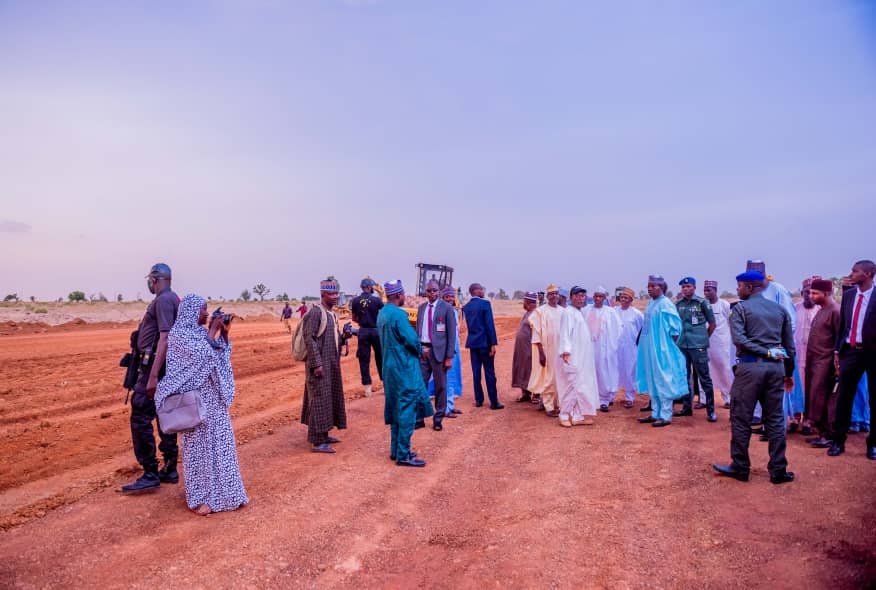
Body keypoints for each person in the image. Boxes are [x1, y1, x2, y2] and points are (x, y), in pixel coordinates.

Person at [155, 294, 248, 515]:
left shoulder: (198, 333)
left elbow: (220, 354)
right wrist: (213, 331)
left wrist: (223, 334)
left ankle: (229, 494)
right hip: (195, 404)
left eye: (207, 310)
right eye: (202, 310)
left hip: (214, 402)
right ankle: (201, 498)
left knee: (221, 446)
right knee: (199, 450)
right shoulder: (179, 335)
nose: (206, 314)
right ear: (190, 311)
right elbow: (202, 356)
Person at [712, 270, 796, 485]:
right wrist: (788, 372)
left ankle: (740, 467)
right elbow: (789, 347)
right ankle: (778, 470)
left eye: (739, 286)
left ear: (750, 287)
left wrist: (764, 351)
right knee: (775, 420)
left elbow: (739, 340)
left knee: (741, 418)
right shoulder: (780, 310)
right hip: (776, 370)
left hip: (749, 370)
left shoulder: (740, 309)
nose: (737, 290)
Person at [121, 263, 180, 494]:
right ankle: (169, 468)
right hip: (157, 367)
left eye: (150, 279)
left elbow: (165, 338)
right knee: (163, 415)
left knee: (140, 416)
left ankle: (150, 472)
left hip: (154, 368)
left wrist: (153, 376)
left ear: (155, 279)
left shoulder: (164, 300)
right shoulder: (170, 298)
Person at [378, 280, 431, 467]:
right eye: (403, 294)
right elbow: (410, 339)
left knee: (395, 407)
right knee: (407, 408)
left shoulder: (382, 313)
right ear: (399, 294)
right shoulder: (399, 315)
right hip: (403, 367)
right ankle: (403, 454)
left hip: (389, 367)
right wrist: (421, 350)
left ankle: (395, 450)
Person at [830, 260, 876, 459]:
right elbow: (843, 327)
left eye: (855, 271)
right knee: (844, 397)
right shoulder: (848, 296)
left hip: (873, 354)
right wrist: (837, 351)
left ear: (868, 274)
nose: (851, 274)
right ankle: (838, 441)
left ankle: (872, 444)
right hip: (850, 351)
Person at [300, 279, 348, 454]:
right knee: (319, 400)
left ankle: (324, 434)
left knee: (328, 399)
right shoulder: (315, 313)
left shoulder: (332, 314)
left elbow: (333, 340)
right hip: (319, 366)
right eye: (331, 294)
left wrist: (345, 336)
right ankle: (317, 441)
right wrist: (316, 364)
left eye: (336, 293)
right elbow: (309, 338)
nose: (335, 297)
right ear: (322, 294)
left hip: (331, 364)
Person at [636, 275, 688, 428]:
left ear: (661, 287)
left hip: (662, 350)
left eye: (653, 286)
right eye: (648, 286)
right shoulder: (651, 304)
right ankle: (655, 413)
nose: (650, 289)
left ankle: (666, 415)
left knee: (663, 379)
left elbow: (675, 330)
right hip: (649, 349)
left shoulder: (666, 304)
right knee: (653, 379)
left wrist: (667, 347)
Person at [674, 277, 718, 422]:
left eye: (688, 286)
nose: (685, 289)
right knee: (685, 378)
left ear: (694, 287)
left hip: (698, 346)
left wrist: (703, 339)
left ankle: (711, 411)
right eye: (683, 287)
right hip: (683, 346)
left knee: (704, 378)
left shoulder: (702, 303)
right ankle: (687, 408)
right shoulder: (678, 304)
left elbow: (712, 324)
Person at [803, 279, 840, 448]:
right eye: (810, 292)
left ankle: (829, 434)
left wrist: (836, 365)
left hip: (826, 363)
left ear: (826, 293)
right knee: (815, 396)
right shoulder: (821, 310)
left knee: (824, 398)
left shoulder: (835, 311)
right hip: (815, 361)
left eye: (815, 293)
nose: (811, 296)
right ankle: (822, 432)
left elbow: (840, 341)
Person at [416, 280, 457, 430]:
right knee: (420, 386)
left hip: (439, 353)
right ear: (425, 292)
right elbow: (418, 331)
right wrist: (419, 348)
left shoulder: (446, 308)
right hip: (423, 352)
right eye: (429, 291)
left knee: (441, 387)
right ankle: (419, 419)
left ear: (438, 291)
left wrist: (449, 357)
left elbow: (451, 335)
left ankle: (438, 419)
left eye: (434, 290)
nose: (432, 293)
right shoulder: (421, 308)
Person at [556, 286, 599, 426]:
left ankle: (577, 416)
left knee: (580, 386)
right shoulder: (568, 313)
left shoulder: (578, 312)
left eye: (582, 296)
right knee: (572, 386)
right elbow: (565, 335)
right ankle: (564, 415)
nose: (580, 299)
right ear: (571, 297)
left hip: (582, 357)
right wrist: (566, 353)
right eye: (577, 296)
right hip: (573, 357)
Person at [462, 283, 503, 409]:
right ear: (476, 291)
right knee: (489, 372)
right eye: (481, 289)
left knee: (476, 372)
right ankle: (494, 402)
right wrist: (493, 344)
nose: (483, 291)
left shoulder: (466, 307)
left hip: (473, 343)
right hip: (485, 343)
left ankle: (479, 400)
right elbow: (489, 325)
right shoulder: (485, 304)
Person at [585, 286, 622, 412]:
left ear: (604, 298)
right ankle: (592, 399)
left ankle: (604, 400)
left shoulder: (610, 312)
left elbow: (618, 330)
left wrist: (612, 347)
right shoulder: (586, 310)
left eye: (600, 296)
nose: (597, 299)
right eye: (595, 296)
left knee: (604, 372)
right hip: (589, 347)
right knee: (590, 372)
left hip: (604, 348)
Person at [528, 285, 563, 416]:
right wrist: (541, 353)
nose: (554, 296)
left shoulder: (562, 311)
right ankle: (549, 407)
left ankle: (556, 404)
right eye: (551, 294)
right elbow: (536, 334)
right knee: (548, 378)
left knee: (558, 378)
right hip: (546, 350)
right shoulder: (540, 311)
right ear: (547, 296)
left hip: (559, 350)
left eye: (556, 293)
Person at [794, 278, 821, 433]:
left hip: (814, 358)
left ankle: (809, 421)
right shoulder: (795, 308)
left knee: (812, 389)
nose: (809, 296)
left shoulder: (820, 310)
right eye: (806, 292)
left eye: (812, 292)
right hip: (797, 356)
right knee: (797, 388)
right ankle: (795, 418)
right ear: (801, 292)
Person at [702, 280, 734, 409]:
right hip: (705, 342)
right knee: (705, 371)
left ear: (715, 290)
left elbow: (731, 322)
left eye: (709, 290)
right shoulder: (702, 305)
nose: (706, 292)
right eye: (705, 290)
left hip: (722, 343)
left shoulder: (724, 305)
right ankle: (704, 400)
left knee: (725, 370)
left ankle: (728, 398)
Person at [351, 278, 384, 397]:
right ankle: (385, 383)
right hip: (376, 332)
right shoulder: (377, 300)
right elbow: (384, 314)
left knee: (364, 360)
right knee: (380, 358)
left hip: (363, 332)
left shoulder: (355, 300)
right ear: (370, 287)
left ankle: (367, 389)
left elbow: (354, 318)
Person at [437, 286, 464, 415]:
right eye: (447, 297)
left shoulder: (453, 311)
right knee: (446, 379)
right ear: (443, 298)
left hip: (455, 349)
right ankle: (445, 409)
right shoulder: (442, 311)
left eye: (452, 297)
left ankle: (450, 405)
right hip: (448, 350)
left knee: (452, 378)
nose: (450, 299)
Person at [616, 287, 643, 409]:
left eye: (626, 298)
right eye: (622, 297)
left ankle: (629, 398)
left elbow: (641, 330)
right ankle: (610, 396)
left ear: (631, 300)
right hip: (616, 347)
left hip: (631, 347)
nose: (623, 299)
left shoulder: (637, 314)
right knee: (613, 370)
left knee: (629, 371)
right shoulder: (614, 311)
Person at [512, 292, 538, 403]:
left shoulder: (536, 314)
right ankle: (525, 393)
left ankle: (536, 395)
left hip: (530, 350)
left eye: (524, 301)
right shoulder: (527, 313)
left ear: (528, 302)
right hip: (522, 350)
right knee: (523, 369)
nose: (523, 303)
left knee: (532, 371)